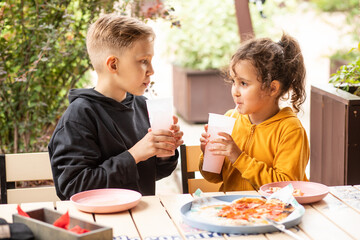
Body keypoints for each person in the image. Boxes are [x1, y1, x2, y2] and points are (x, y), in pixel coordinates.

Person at [48, 14, 184, 200]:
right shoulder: (79, 116)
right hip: (99, 224)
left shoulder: (143, 106)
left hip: (140, 218)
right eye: (144, 61)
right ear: (113, 64)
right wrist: (134, 154)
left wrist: (164, 152)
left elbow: (153, 173)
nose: (151, 70)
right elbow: (73, 187)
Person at [199, 33, 309, 191]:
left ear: (272, 88)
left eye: (243, 83)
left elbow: (286, 186)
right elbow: (213, 178)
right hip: (233, 211)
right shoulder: (231, 118)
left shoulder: (290, 130)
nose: (235, 91)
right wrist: (209, 154)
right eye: (233, 82)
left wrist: (239, 158)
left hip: (273, 213)